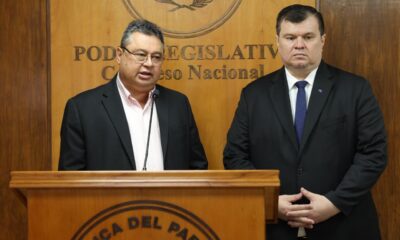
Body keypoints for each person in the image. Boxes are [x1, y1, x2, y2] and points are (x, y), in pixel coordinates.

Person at [223, 4, 387, 239]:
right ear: (277, 41)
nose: (299, 44)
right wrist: (269, 202)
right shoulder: (253, 94)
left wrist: (334, 202)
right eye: (290, 37)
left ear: (323, 40)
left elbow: (374, 154)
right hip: (273, 228)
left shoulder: (355, 89)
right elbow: (234, 155)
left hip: (343, 226)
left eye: (308, 37)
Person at [59, 19, 207, 171]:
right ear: (119, 55)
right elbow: (71, 178)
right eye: (141, 55)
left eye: (156, 57)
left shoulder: (178, 104)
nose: (149, 63)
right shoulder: (82, 109)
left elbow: (197, 166)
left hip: (170, 196)